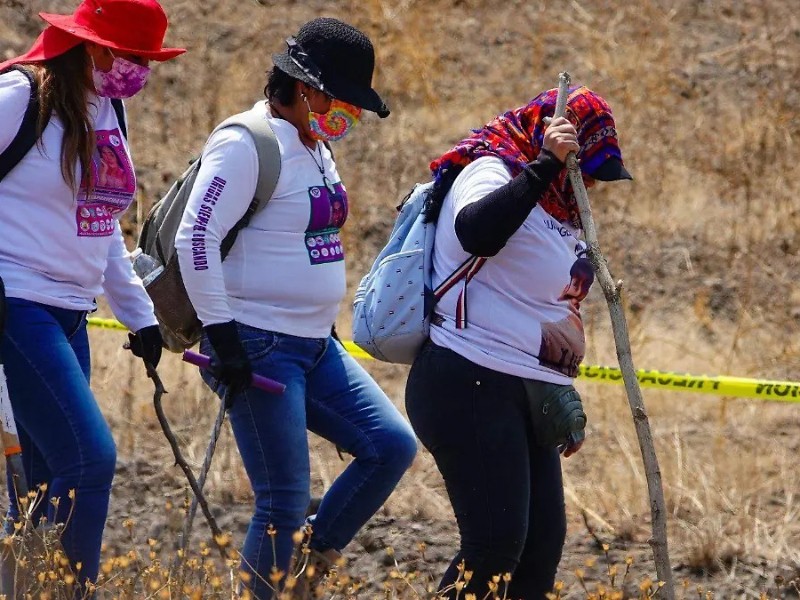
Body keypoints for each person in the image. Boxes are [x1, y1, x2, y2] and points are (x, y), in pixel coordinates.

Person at [173, 17, 417, 598]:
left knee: (390, 446)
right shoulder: (245, 142)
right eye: (343, 100)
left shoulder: (316, 146)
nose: (349, 115)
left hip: (314, 344)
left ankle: (307, 566)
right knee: (282, 500)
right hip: (257, 344)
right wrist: (224, 338)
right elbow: (195, 238)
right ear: (306, 88)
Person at [405, 86, 633, 599]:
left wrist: (560, 388)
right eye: (587, 167)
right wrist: (544, 165)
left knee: (540, 548)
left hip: (525, 392)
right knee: (494, 546)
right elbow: (478, 232)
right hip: (467, 379)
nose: (591, 183)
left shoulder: (562, 210)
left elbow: (548, 305)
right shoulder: (491, 169)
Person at [0, 0, 184, 593]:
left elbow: (99, 222)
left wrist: (140, 316)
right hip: (17, 305)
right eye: (135, 57)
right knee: (90, 460)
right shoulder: (20, 97)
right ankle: (71, 591)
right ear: (96, 48)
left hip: (71, 314)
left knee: (43, 480)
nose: (141, 71)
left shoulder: (107, 109)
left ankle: (23, 586)